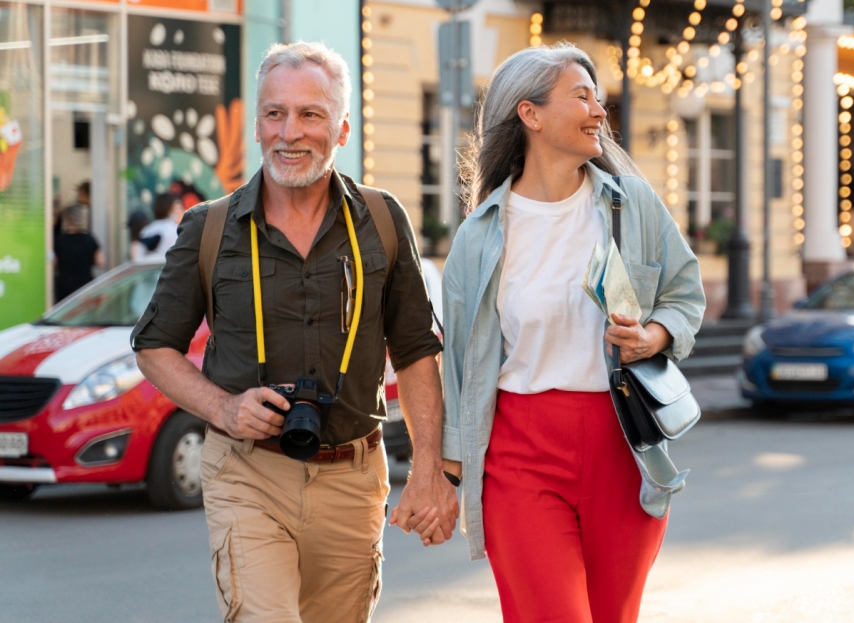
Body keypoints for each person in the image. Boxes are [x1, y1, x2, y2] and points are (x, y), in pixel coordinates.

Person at [131, 41, 458, 623]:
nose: (290, 132)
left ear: (342, 129)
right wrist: (224, 409)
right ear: (256, 124)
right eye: (275, 113)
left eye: (311, 114)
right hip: (246, 471)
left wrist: (431, 470)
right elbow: (155, 347)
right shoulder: (208, 228)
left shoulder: (383, 220)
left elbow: (415, 352)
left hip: (355, 478)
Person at [438, 43, 705, 622]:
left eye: (599, 98)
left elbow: (685, 293)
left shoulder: (630, 204)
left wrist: (654, 336)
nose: (599, 112)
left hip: (621, 444)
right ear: (529, 114)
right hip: (520, 454)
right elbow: (458, 365)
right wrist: (447, 474)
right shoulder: (480, 235)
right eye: (581, 96)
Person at [53, 204, 104, 301]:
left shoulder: (60, 240)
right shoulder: (89, 238)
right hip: (86, 284)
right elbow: (101, 262)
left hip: (65, 285)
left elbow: (54, 262)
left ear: (67, 221)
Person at [138, 192, 184, 259]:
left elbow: (138, 257)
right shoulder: (175, 230)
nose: (182, 211)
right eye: (178, 208)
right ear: (170, 209)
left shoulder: (146, 230)